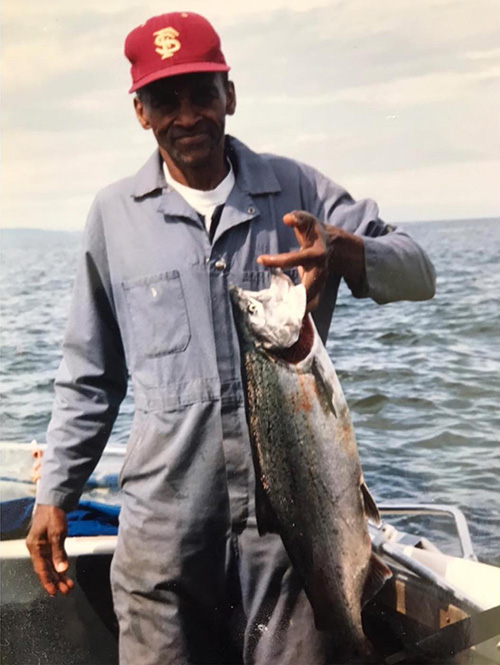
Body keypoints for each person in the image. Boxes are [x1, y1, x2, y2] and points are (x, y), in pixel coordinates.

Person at [26, 11, 436, 665]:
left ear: (230, 96)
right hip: (162, 540)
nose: (186, 115)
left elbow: (418, 271)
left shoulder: (298, 189)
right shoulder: (111, 217)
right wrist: (56, 495)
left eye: (201, 93)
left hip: (292, 545)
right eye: (165, 99)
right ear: (140, 111)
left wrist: (348, 253)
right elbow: (90, 375)